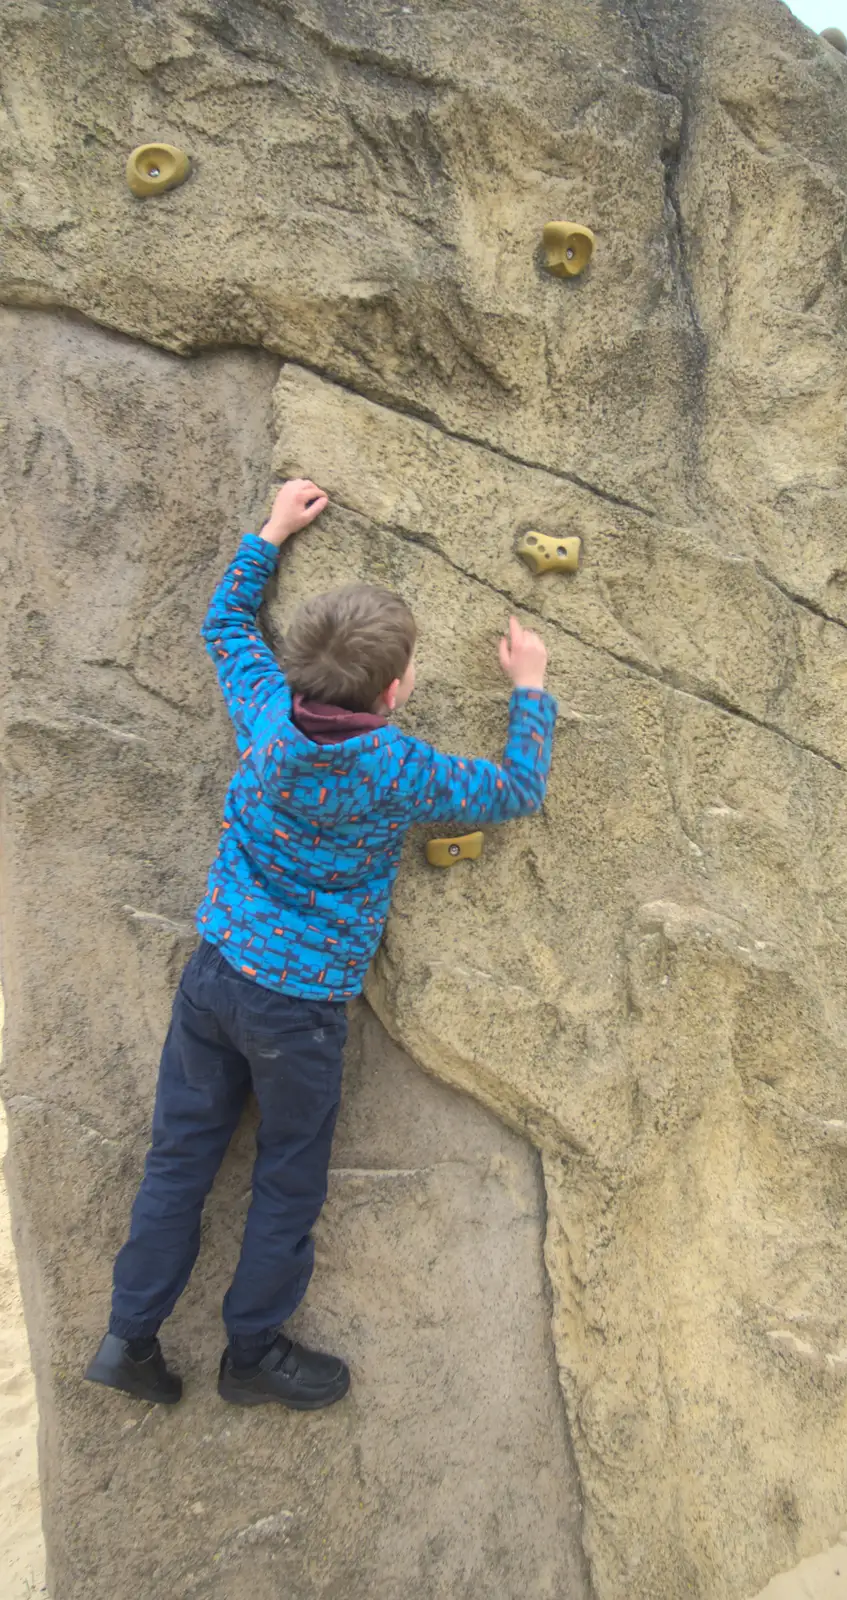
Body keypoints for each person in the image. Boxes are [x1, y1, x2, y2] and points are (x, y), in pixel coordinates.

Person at [85, 479, 555, 1411]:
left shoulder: (263, 710)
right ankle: (249, 1354)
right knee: (287, 1177)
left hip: (215, 978)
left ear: (295, 660)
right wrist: (529, 688)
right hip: (299, 1011)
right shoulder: (400, 767)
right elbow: (515, 790)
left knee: (180, 1160)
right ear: (394, 690)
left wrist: (268, 532)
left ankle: (128, 1338)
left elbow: (226, 625)